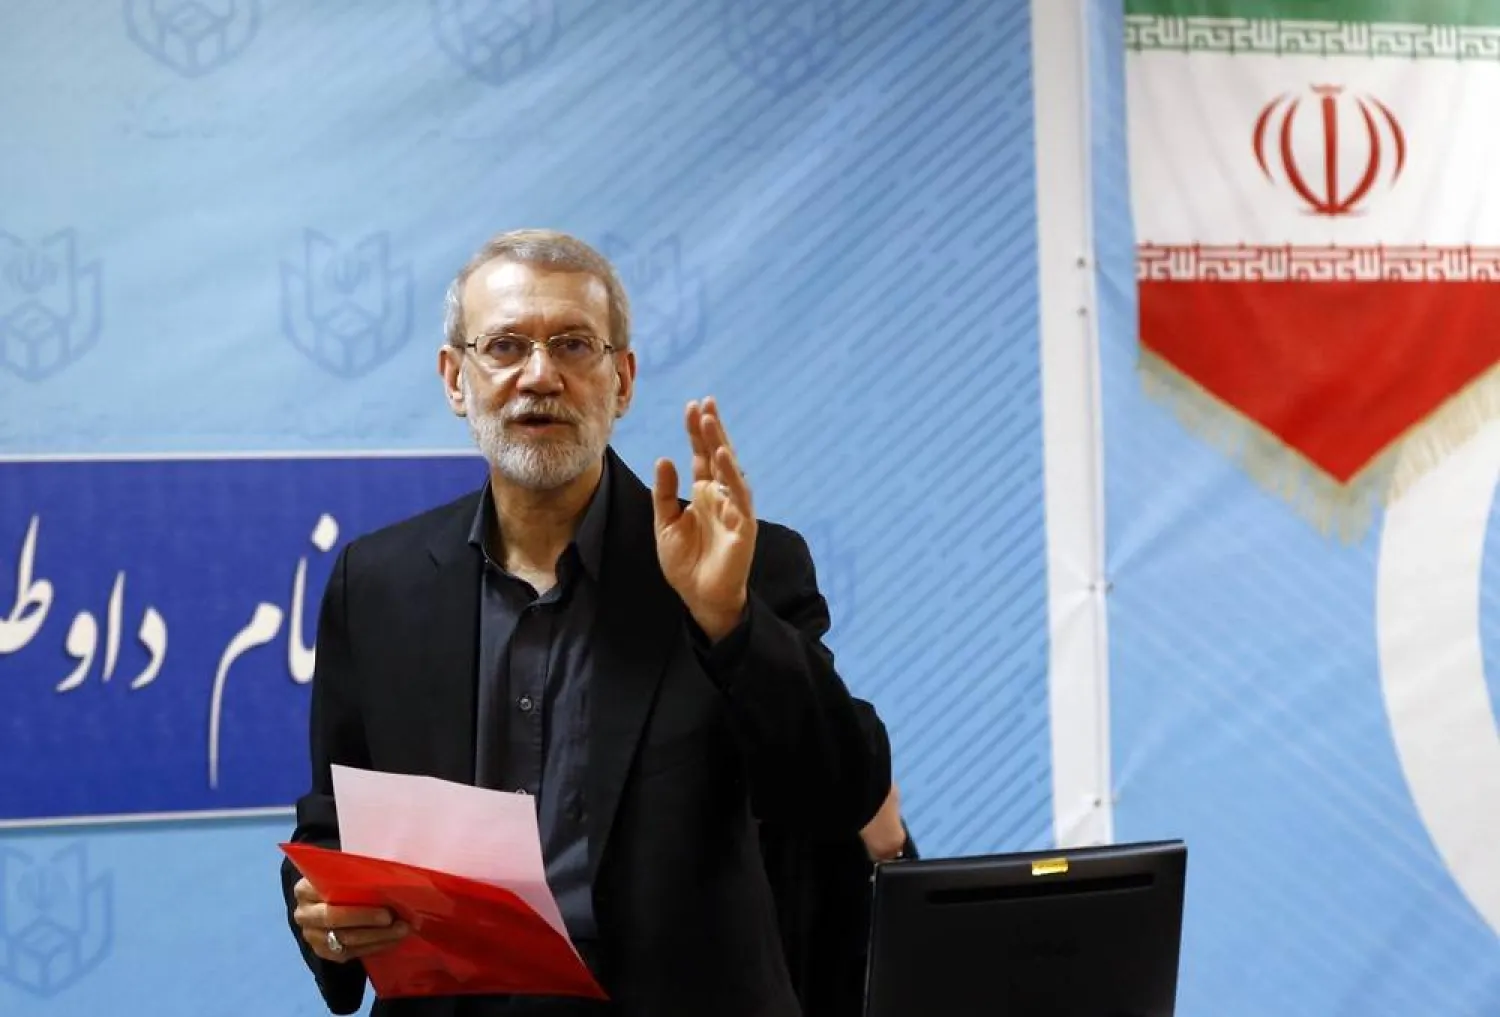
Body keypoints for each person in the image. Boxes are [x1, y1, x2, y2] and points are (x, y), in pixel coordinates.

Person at [278, 228, 892, 1017]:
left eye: (572, 344)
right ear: (455, 379)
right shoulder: (379, 583)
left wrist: (730, 623)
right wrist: (325, 915)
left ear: (622, 379)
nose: (540, 376)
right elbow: (332, 819)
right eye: (504, 346)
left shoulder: (736, 565)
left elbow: (838, 796)